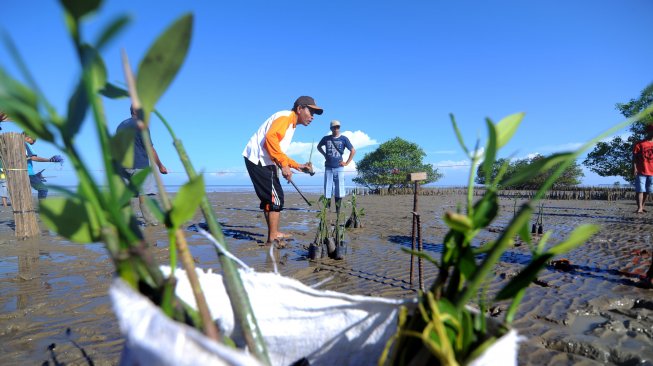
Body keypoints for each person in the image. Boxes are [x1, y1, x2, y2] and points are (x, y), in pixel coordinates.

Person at [243, 96, 323, 245]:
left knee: (270, 198)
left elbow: (278, 151)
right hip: (260, 159)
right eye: (310, 111)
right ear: (299, 109)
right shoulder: (286, 117)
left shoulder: (290, 123)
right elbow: (270, 138)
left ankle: (273, 234)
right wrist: (283, 165)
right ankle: (273, 236)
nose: (312, 117)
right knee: (276, 198)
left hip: (260, 159)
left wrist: (298, 166)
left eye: (314, 114)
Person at [117, 105, 168, 226]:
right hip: (139, 164)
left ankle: (127, 222)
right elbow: (149, 148)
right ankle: (151, 222)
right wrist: (160, 166)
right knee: (145, 194)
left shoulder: (120, 125)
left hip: (122, 165)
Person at [317, 120, 356, 217]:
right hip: (328, 167)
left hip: (339, 167)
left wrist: (346, 163)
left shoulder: (344, 139)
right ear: (331, 128)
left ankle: (338, 210)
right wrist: (324, 154)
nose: (336, 129)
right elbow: (318, 146)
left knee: (339, 189)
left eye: (338, 127)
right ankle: (328, 209)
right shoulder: (326, 138)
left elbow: (353, 150)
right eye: (334, 127)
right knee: (327, 189)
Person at [24, 132, 62, 200]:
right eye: (33, 140)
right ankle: (42, 208)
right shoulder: (26, 144)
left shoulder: (14, 146)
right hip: (28, 173)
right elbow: (34, 158)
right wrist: (50, 160)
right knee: (43, 189)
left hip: (18, 173)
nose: (34, 143)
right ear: (28, 138)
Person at [633, 124, 653, 213]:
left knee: (648, 190)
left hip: (652, 172)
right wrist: (634, 168)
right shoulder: (639, 144)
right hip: (641, 170)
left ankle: (643, 206)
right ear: (648, 132)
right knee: (640, 189)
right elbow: (634, 157)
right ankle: (639, 208)